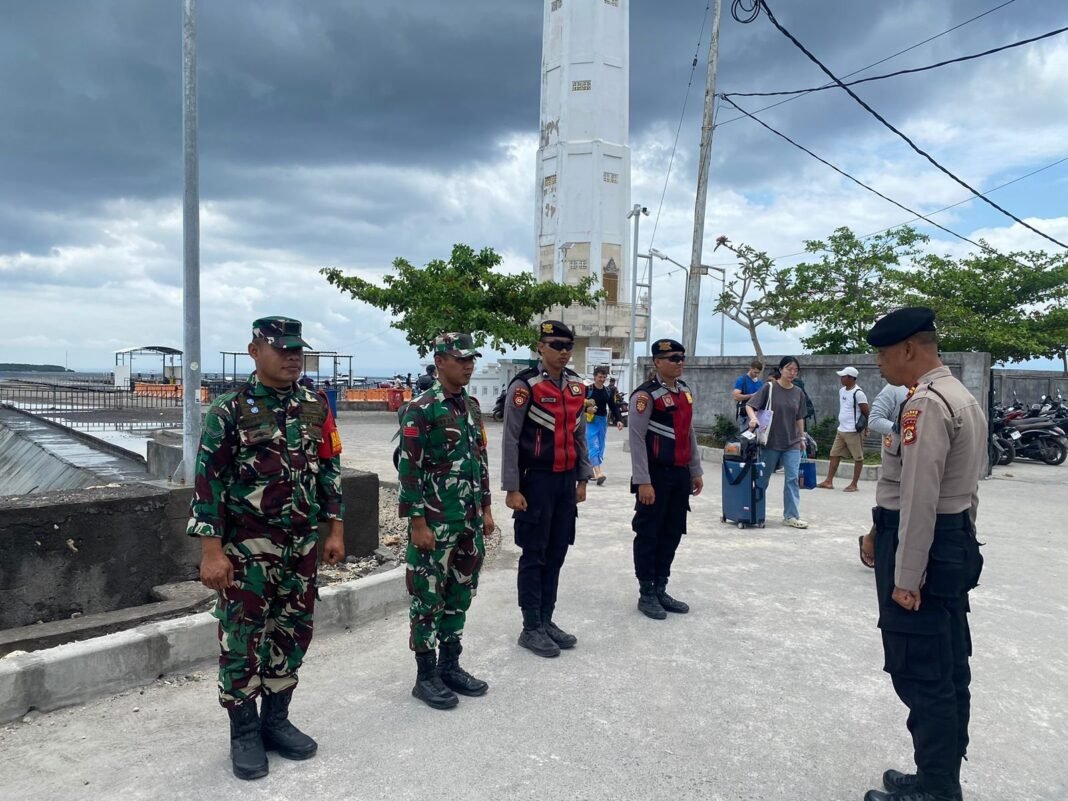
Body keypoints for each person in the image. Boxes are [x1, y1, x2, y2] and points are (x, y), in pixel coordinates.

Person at [187, 316, 345, 781]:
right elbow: (207, 484)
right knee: (242, 638)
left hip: (301, 548)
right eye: (282, 349)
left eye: (298, 350)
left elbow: (330, 470)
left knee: (293, 632)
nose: (293, 357)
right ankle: (244, 731)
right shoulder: (229, 410)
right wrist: (211, 552)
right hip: (246, 551)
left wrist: (334, 531)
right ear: (255, 351)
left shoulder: (315, 404)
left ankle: (276, 719)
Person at [862, 307, 985, 801]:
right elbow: (966, 491)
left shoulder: (925, 406)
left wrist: (907, 576)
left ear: (909, 349)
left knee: (922, 670)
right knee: (947, 664)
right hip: (951, 539)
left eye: (883, 354)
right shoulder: (958, 396)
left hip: (925, 543)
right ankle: (938, 776)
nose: (880, 364)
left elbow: (919, 498)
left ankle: (936, 790)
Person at [397, 332, 493, 710]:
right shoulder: (420, 408)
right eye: (460, 359)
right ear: (439, 362)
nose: (468, 365)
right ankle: (425, 676)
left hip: (467, 521)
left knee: (459, 595)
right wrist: (417, 523)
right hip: (435, 524)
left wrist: (485, 510)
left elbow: (479, 462)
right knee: (427, 600)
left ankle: (450, 666)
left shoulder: (470, 405)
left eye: (471, 359)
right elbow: (409, 470)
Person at [501, 320, 593, 658]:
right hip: (535, 480)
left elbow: (579, 436)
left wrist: (583, 478)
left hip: (565, 482)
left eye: (568, 346)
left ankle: (546, 619)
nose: (563, 352)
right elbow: (511, 439)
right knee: (534, 554)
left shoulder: (576, 387)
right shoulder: (526, 386)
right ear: (540, 347)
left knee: (557, 552)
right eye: (556, 345)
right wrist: (512, 487)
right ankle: (530, 627)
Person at [628, 339, 704, 619]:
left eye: (681, 357)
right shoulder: (646, 396)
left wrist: (695, 470)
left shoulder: (684, 392)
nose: (679, 362)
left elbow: (689, 433)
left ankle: (661, 587)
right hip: (655, 475)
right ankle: (646, 591)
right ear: (657, 362)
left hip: (679, 474)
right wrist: (643, 480)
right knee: (649, 533)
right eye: (673, 358)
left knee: (672, 532)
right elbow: (636, 439)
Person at [745, 356, 809, 529]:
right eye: (789, 369)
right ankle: (754, 512)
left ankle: (791, 516)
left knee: (792, 479)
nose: (792, 373)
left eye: (795, 370)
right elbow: (750, 405)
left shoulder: (798, 393)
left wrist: (802, 437)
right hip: (771, 441)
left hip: (792, 442)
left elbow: (800, 417)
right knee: (763, 479)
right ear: (781, 370)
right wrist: (753, 420)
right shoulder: (769, 387)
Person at [858, 382, 910, 568]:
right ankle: (871, 539)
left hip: (922, 460)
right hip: (897, 461)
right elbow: (875, 419)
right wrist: (901, 430)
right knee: (893, 508)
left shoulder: (931, 387)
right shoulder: (894, 389)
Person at [818, 366, 871, 493]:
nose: (841, 378)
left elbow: (866, 412)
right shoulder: (842, 391)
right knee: (834, 454)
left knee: (858, 457)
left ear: (851, 378)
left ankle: (854, 483)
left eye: (844, 376)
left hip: (853, 431)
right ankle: (829, 481)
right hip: (841, 429)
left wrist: (866, 428)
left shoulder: (859, 393)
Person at [586, 366, 624, 485]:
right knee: (593, 445)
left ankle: (590, 469)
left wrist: (619, 420)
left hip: (602, 420)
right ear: (594, 377)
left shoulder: (608, 391)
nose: (602, 379)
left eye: (604, 377)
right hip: (589, 421)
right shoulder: (588, 389)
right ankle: (598, 473)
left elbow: (613, 406)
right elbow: (577, 405)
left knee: (601, 446)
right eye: (599, 377)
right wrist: (587, 409)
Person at [732, 360, 764, 428]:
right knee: (745, 437)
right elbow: (736, 396)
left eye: (758, 373)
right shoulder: (742, 380)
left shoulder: (760, 383)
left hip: (756, 414)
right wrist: (752, 396)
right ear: (751, 369)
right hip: (745, 415)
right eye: (755, 372)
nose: (757, 375)